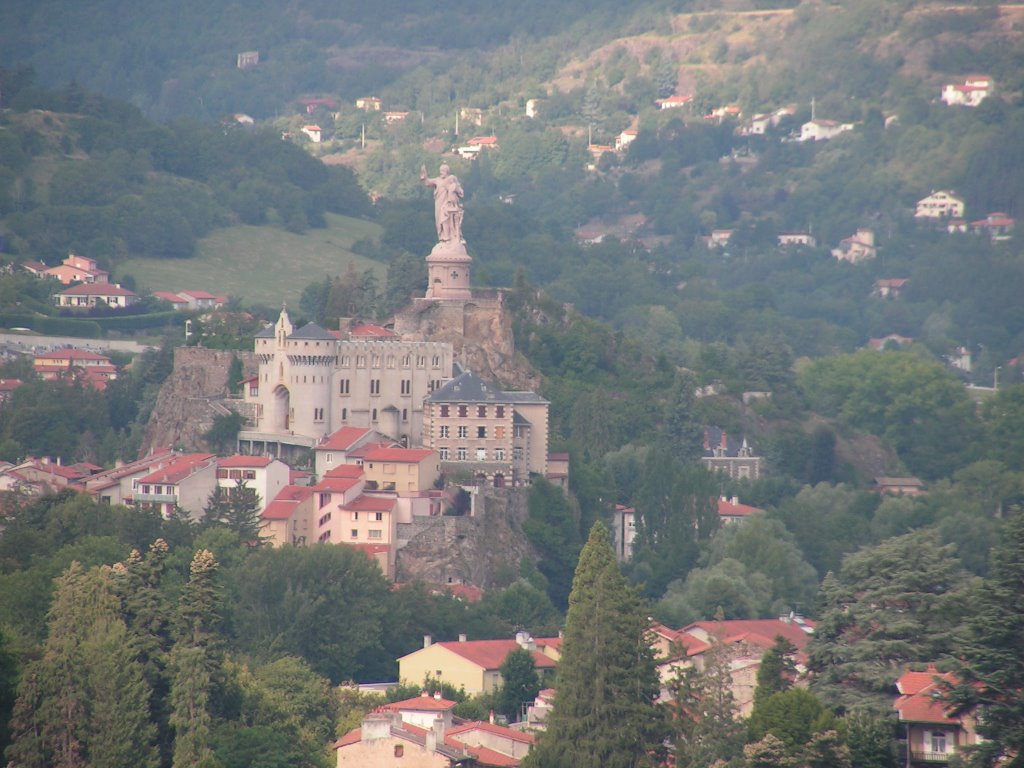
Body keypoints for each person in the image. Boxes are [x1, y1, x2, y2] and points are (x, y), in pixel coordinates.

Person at [421, 164, 464, 243]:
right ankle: (442, 238)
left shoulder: (451, 179)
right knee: (438, 221)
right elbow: (428, 182)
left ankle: (448, 238)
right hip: (438, 204)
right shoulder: (437, 180)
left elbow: (460, 191)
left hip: (447, 205)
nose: (441, 172)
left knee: (445, 220)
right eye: (440, 171)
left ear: (447, 171)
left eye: (443, 171)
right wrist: (424, 176)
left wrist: (455, 188)